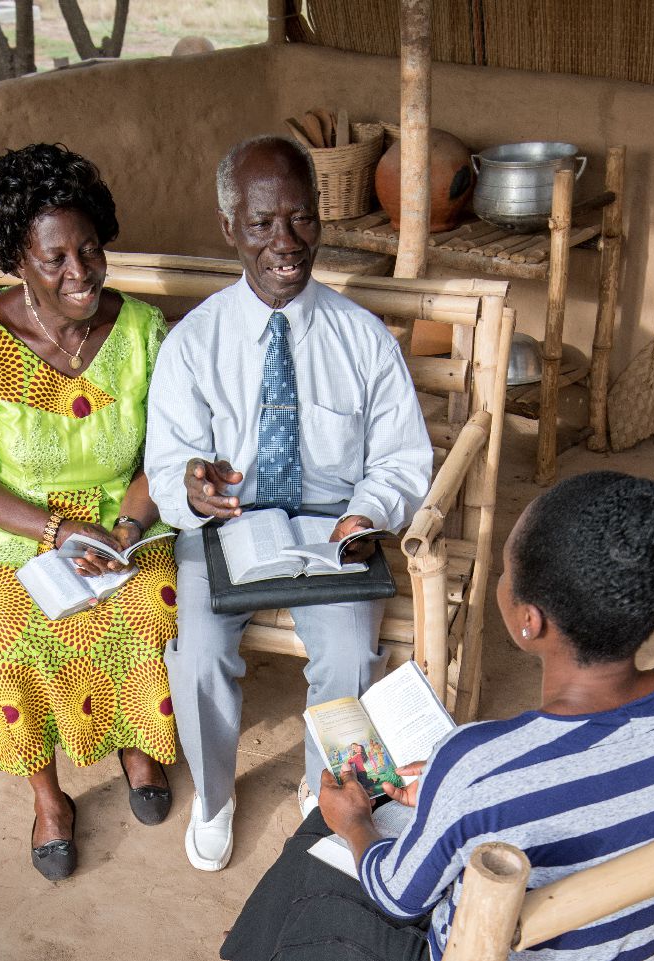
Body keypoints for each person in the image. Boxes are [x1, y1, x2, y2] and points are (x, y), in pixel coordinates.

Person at [221, 471, 654, 961]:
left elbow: (398, 897)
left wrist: (355, 824)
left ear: (528, 622)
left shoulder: (475, 762)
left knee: (318, 842)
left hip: (479, 944)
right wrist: (457, 796)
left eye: (506, 572)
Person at [144, 135, 433, 872]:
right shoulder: (195, 343)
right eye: (263, 223)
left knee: (346, 651)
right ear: (228, 228)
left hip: (331, 529)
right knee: (200, 651)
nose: (286, 242)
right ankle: (215, 796)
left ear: (321, 220)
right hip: (224, 531)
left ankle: (329, 790)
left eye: (301, 218)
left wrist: (368, 512)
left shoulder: (362, 339)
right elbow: (168, 460)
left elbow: (402, 458)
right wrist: (191, 486)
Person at [0, 143, 177, 881]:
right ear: (16, 259)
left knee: (144, 602)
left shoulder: (140, 332)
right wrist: (57, 531)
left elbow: (163, 455)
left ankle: (137, 746)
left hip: (124, 514)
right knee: (10, 628)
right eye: (55, 259)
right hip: (16, 524)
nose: (80, 273)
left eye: (90, 249)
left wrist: (128, 529)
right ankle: (48, 798)